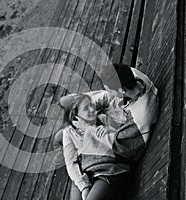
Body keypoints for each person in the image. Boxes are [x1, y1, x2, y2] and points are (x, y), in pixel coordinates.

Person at [53, 63, 159, 200]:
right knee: (63, 133)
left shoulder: (140, 119)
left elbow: (122, 149)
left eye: (110, 89)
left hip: (108, 157)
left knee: (70, 139)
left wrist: (90, 129)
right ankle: (70, 148)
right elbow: (102, 96)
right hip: (105, 119)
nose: (107, 91)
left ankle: (72, 149)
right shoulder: (132, 75)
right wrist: (87, 109)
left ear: (121, 91)